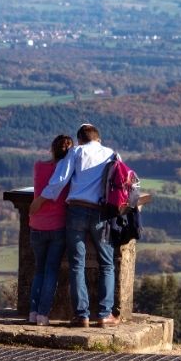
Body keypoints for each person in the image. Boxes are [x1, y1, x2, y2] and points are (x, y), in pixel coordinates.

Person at [30, 123, 119, 328]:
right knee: (107, 263)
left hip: (76, 211)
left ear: (80, 139)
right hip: (101, 212)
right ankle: (105, 314)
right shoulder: (111, 154)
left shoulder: (76, 152)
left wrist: (40, 200)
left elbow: (59, 180)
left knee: (76, 265)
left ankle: (82, 315)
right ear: (98, 138)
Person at [28, 134, 73, 326]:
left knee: (39, 270)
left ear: (52, 149)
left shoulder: (39, 166)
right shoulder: (69, 173)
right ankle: (43, 315)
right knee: (51, 271)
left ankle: (32, 312)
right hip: (58, 226)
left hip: (36, 224)